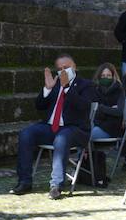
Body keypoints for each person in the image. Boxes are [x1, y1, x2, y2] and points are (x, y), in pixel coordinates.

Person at [13, 54, 95, 199]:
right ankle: (24, 181)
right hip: (50, 127)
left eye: (66, 67)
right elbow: (39, 106)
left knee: (61, 139)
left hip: (75, 129)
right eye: (60, 68)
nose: (63, 71)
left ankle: (56, 185)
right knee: (26, 134)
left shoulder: (85, 84)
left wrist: (68, 88)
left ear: (75, 67)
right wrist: (47, 89)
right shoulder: (55, 84)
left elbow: (83, 106)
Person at [89, 62, 125, 187]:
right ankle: (84, 166)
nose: (106, 77)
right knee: (80, 130)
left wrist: (102, 108)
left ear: (113, 76)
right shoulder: (95, 89)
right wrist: (110, 109)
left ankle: (82, 166)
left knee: (86, 135)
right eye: (103, 75)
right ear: (99, 76)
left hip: (111, 128)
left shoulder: (119, 90)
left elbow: (119, 112)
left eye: (108, 75)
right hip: (97, 122)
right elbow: (93, 109)